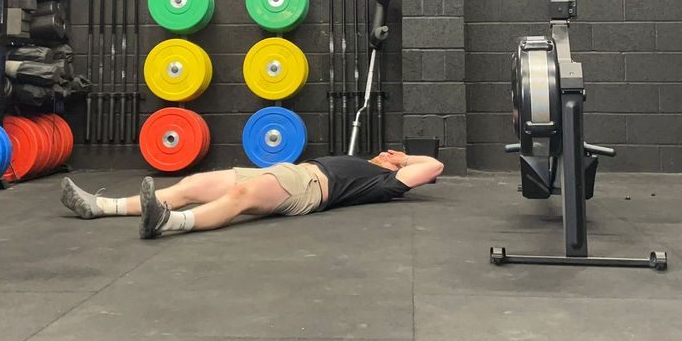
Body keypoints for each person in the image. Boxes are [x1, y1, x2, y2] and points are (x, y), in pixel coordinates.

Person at [60, 150, 444, 239]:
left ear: (397, 165)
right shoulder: (366, 161)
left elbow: (434, 168)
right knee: (193, 184)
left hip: (308, 188)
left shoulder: (382, 180)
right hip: (288, 172)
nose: (387, 150)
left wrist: (404, 158)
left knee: (242, 195)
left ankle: (168, 223)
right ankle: (100, 206)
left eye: (394, 153)